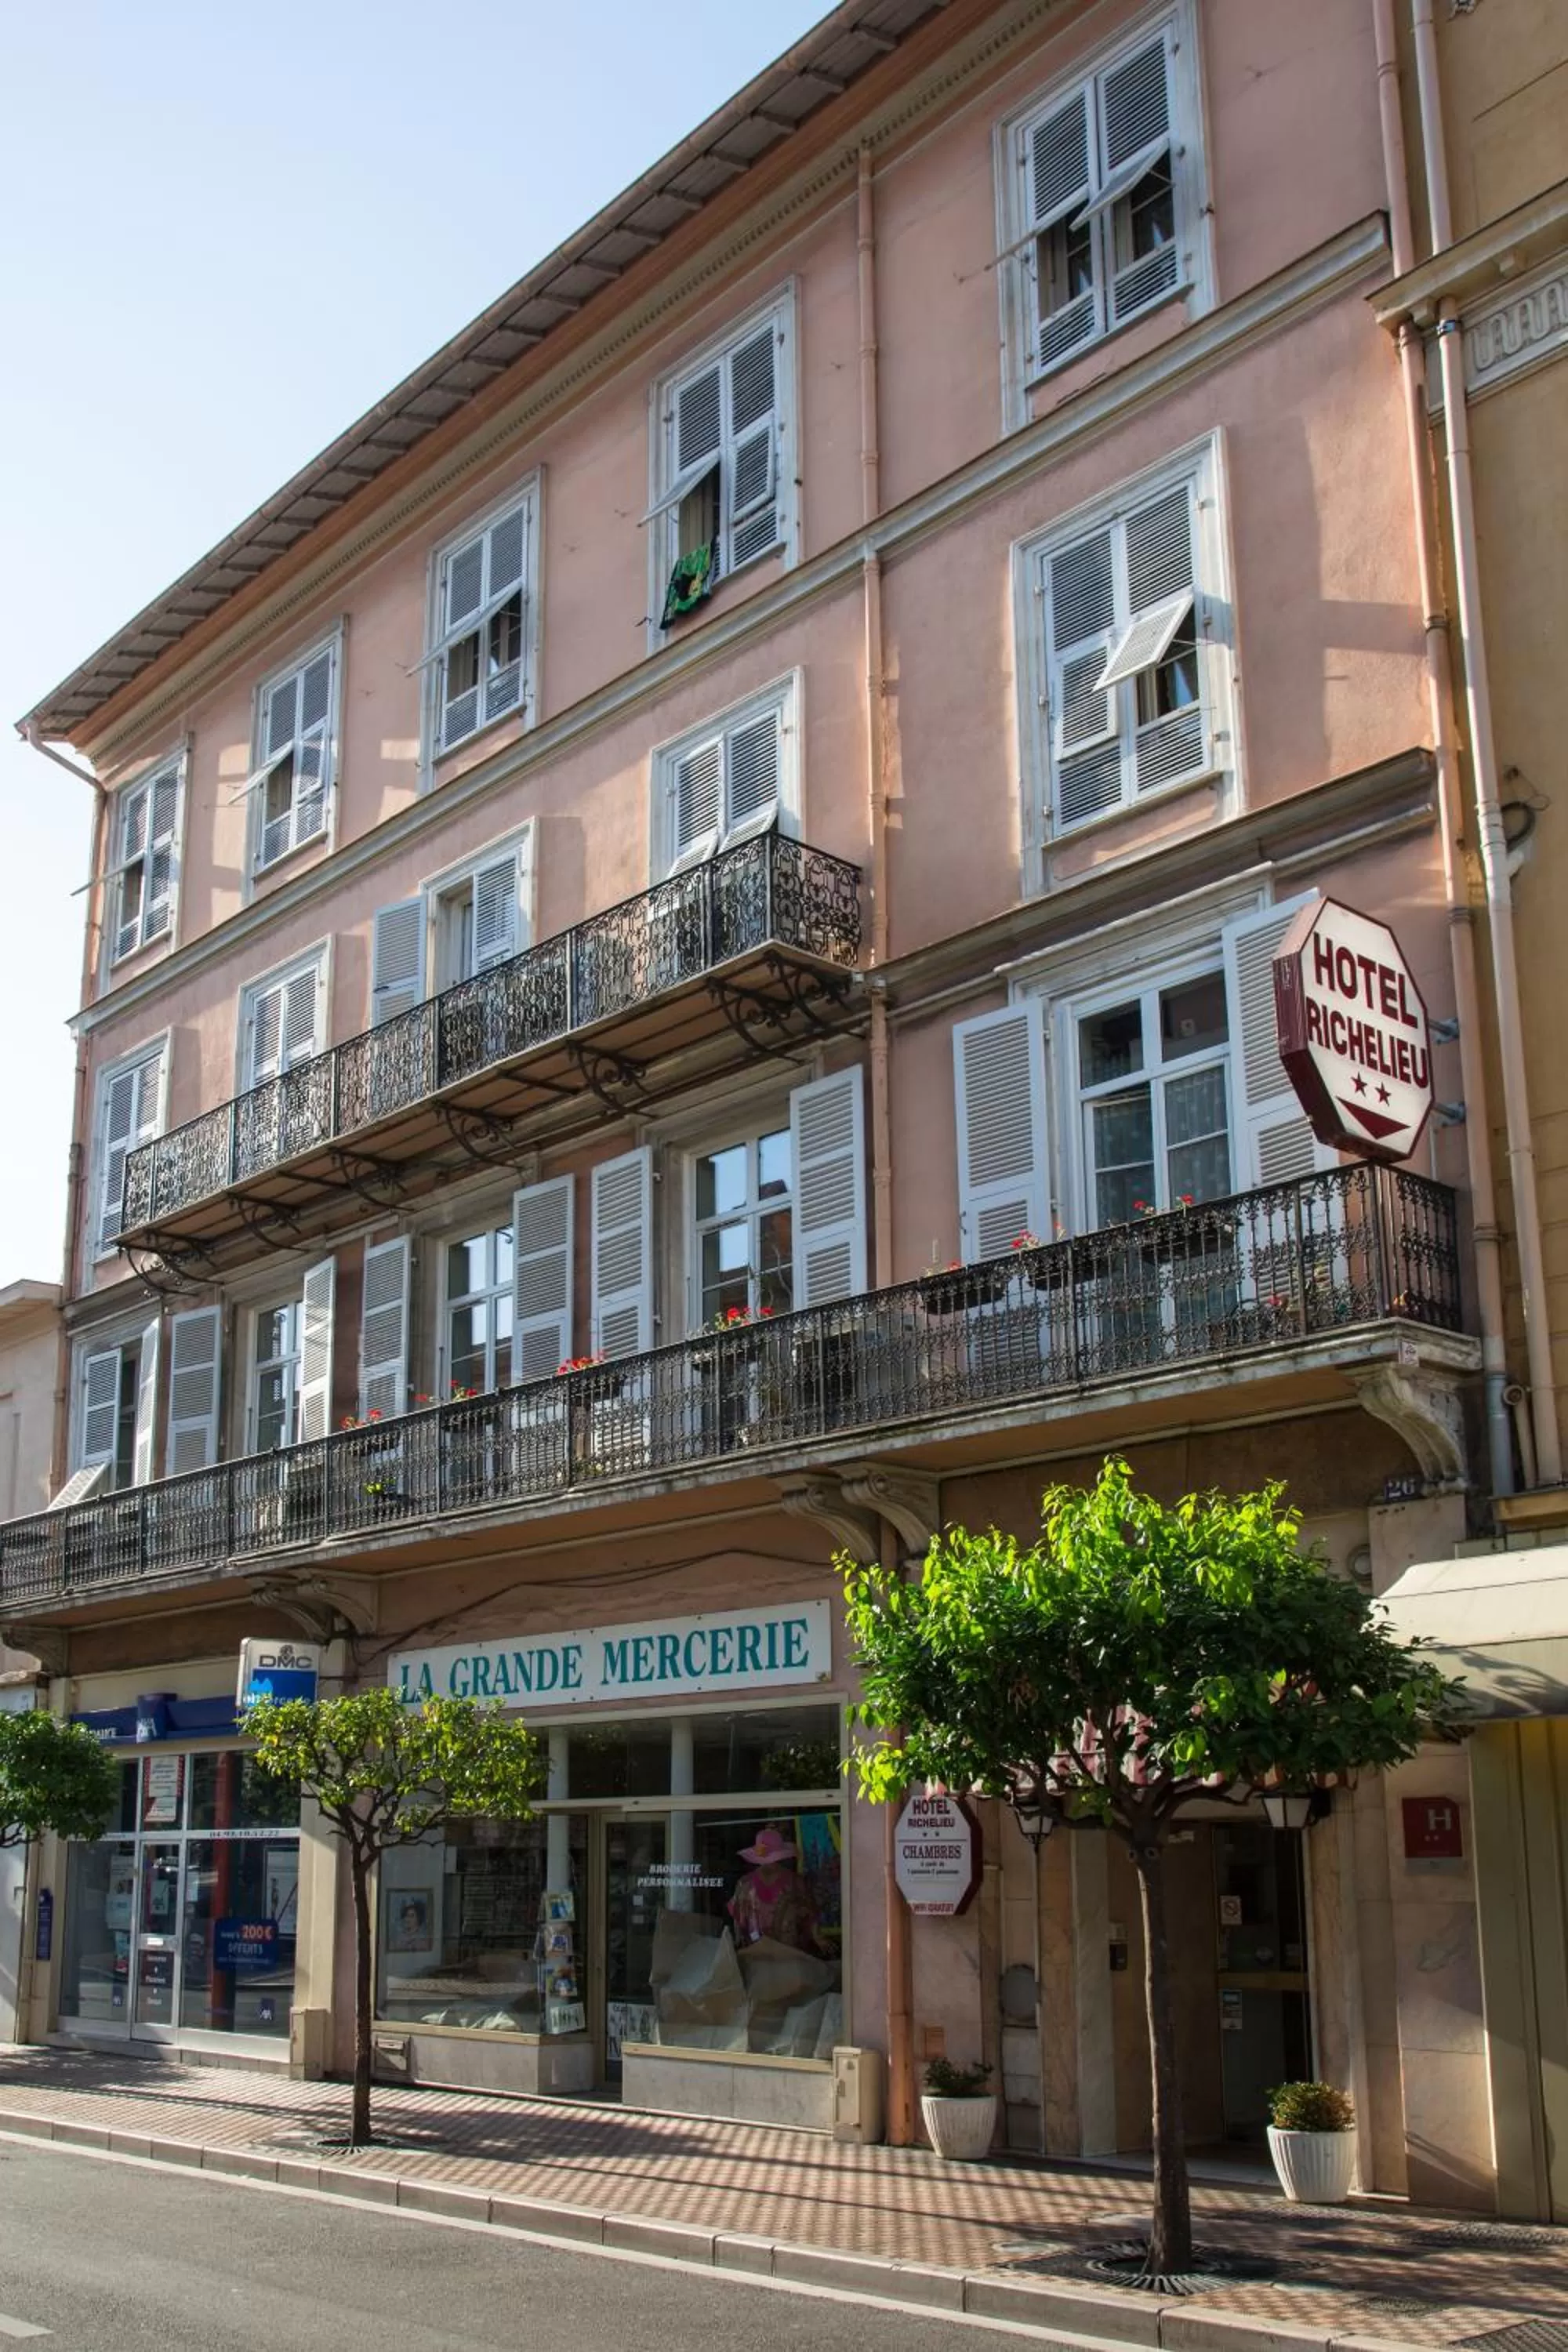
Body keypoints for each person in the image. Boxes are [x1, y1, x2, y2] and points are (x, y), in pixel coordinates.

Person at [727, 1824, 822, 1953]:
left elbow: (811, 1915)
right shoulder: (745, 1884)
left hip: (790, 1955)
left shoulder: (795, 1882)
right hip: (755, 1955)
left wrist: (818, 1938)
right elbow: (738, 1920)